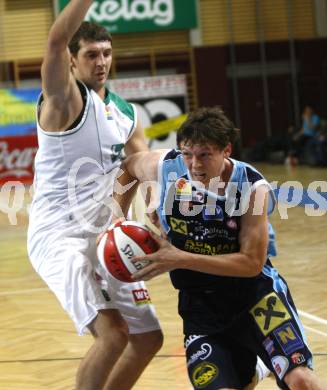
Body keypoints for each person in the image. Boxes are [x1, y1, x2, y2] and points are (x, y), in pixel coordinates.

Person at [113, 106, 325, 389]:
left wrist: (179, 258)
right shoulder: (168, 167)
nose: (194, 164)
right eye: (188, 154)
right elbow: (128, 167)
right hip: (200, 306)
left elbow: (251, 263)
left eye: (204, 155)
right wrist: (117, 219)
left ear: (226, 150)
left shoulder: (251, 188)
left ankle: (258, 360)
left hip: (255, 297)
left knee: (301, 381)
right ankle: (254, 364)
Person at [27, 1, 163, 389]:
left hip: (106, 236)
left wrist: (153, 206)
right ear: (72, 61)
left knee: (148, 338)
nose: (101, 61)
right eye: (90, 54)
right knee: (114, 334)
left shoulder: (127, 113)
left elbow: (136, 165)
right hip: (60, 237)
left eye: (106, 53)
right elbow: (55, 40)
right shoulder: (64, 100)